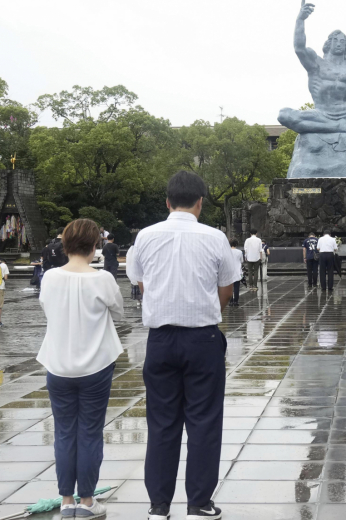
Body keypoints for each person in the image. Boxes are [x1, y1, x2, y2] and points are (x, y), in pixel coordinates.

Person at [127, 171, 238, 520]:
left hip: (159, 339)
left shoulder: (145, 236)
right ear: (201, 202)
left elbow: (142, 283)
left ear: (167, 201)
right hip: (202, 338)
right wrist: (202, 312)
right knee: (204, 421)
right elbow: (227, 289)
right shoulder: (215, 237)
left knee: (162, 422)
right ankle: (199, 504)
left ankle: (159, 506)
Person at [37, 218, 124, 520]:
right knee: (89, 431)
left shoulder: (49, 277)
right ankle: (86, 501)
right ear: (95, 245)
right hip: (95, 366)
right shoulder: (102, 280)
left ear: (65, 244)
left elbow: (46, 307)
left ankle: (65, 501)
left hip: (58, 365)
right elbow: (119, 311)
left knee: (64, 432)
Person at [230, 239, 243, 306]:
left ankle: (230, 301)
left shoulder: (226, 251)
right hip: (237, 271)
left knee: (229, 287)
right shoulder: (239, 252)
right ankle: (236, 301)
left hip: (228, 271)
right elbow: (242, 261)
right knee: (236, 287)